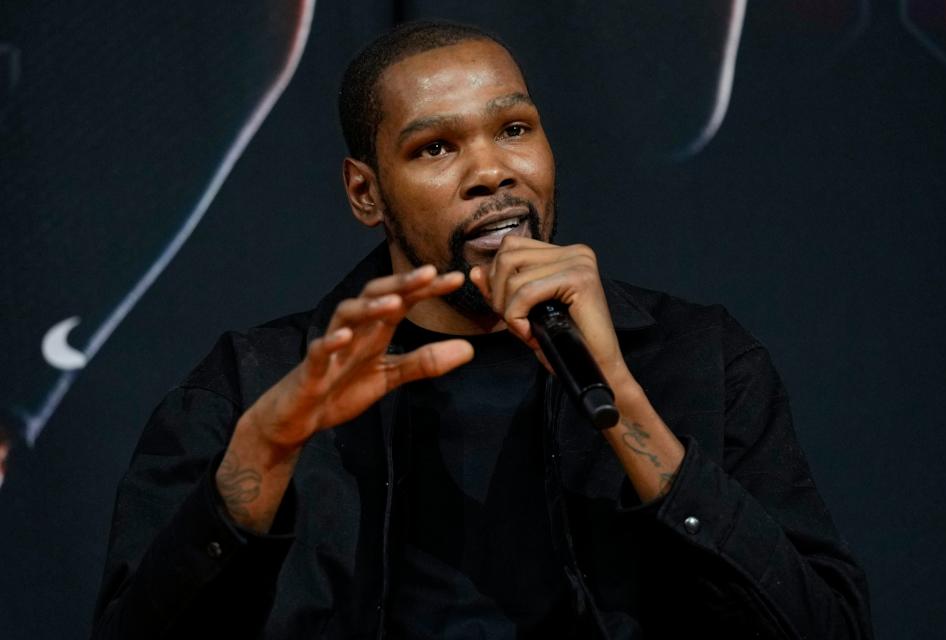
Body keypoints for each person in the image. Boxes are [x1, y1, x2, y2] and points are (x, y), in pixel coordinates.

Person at [92, 20, 873, 639]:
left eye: (514, 129)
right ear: (366, 193)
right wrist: (261, 460)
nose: (492, 171)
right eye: (436, 147)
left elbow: (826, 628)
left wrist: (624, 398)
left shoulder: (698, 359)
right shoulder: (251, 385)